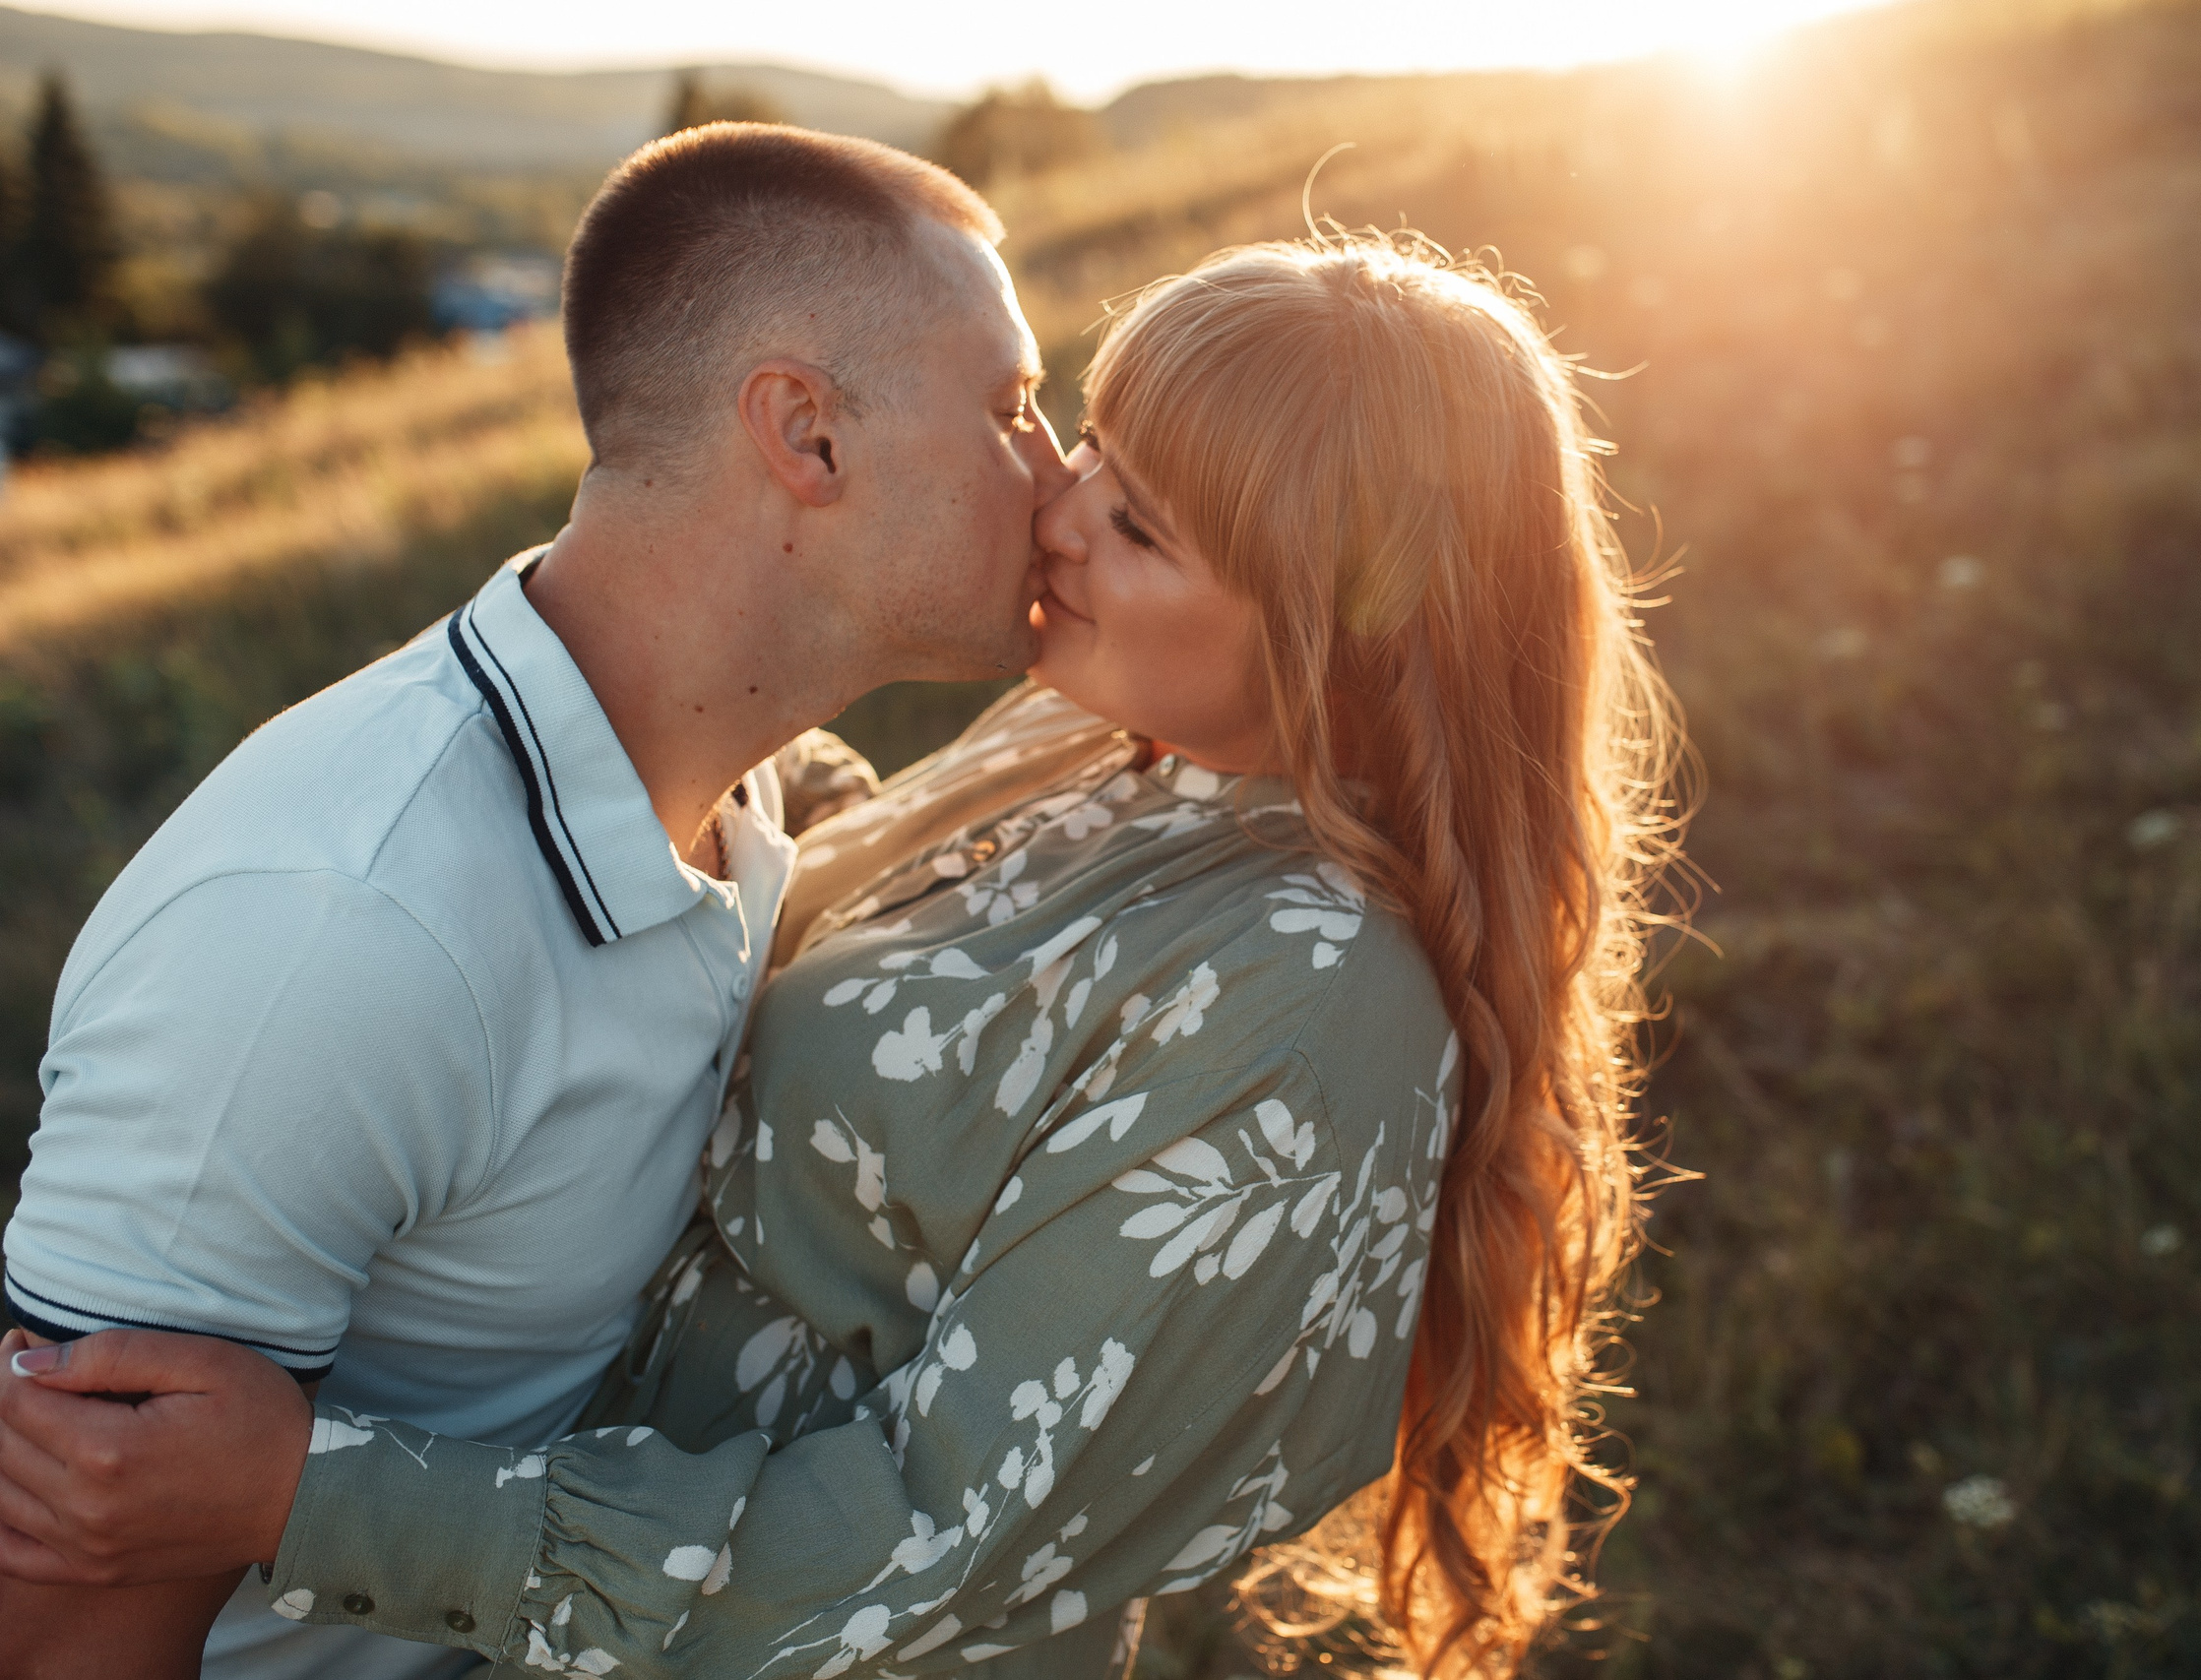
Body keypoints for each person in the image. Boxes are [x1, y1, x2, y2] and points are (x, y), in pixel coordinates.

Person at [2, 233, 1682, 1679]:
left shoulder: (1311, 1004)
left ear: (1342, 634)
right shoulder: (1106, 749)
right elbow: (872, 898)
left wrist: (305, 1495)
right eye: (1090, 444)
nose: (1059, 508)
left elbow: (925, 1546)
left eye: (1144, 526)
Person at [0, 122, 1071, 1680]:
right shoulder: (340, 933)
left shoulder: (751, 785)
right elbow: (61, 1636)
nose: (1060, 471)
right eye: (1013, 407)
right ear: (808, 436)